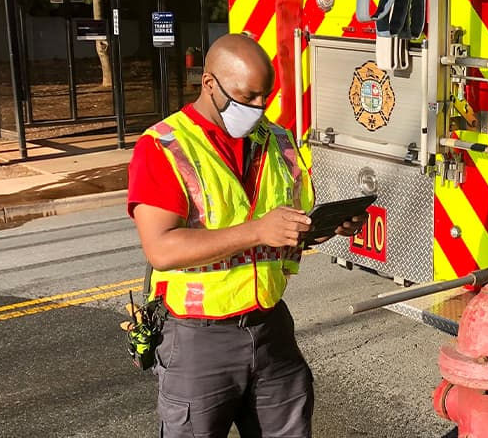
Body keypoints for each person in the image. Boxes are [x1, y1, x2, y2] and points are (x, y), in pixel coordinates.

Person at [127, 33, 362, 438]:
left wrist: (319, 229)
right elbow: (161, 248)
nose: (257, 108)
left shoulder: (277, 141)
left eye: (264, 97)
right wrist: (257, 230)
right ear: (209, 83)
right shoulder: (164, 147)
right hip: (199, 340)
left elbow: (284, 230)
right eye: (246, 96)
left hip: (270, 329)